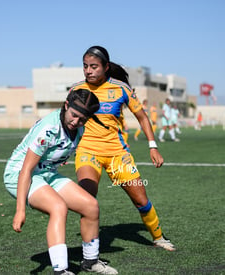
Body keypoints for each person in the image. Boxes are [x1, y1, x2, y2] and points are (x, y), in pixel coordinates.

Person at [70, 46, 176, 252]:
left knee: (141, 200)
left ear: (105, 67)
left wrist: (153, 147)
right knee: (87, 201)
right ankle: (90, 254)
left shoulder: (121, 89)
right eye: (85, 66)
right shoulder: (76, 90)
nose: (88, 71)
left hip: (118, 155)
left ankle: (158, 237)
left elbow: (143, 118)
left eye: (94, 66)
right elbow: (68, 122)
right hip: (87, 152)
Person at [4, 89, 118, 275]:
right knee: (58, 207)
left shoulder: (79, 128)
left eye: (82, 119)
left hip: (47, 173)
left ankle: (90, 261)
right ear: (66, 105)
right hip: (19, 174)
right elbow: (26, 169)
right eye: (74, 115)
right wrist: (20, 210)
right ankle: (61, 270)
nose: (76, 122)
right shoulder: (48, 128)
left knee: (91, 206)